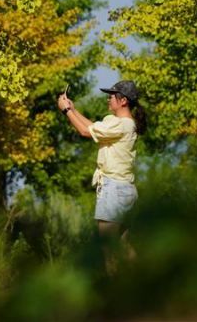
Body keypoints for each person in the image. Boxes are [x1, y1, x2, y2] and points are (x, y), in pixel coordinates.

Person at [57, 80, 147, 271]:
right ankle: (145, 286)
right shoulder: (118, 123)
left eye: (111, 96)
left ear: (123, 101)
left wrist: (66, 112)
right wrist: (73, 109)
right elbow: (92, 128)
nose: (108, 99)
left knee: (108, 248)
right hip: (124, 190)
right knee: (122, 245)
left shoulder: (122, 125)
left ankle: (114, 294)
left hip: (114, 189)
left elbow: (83, 131)